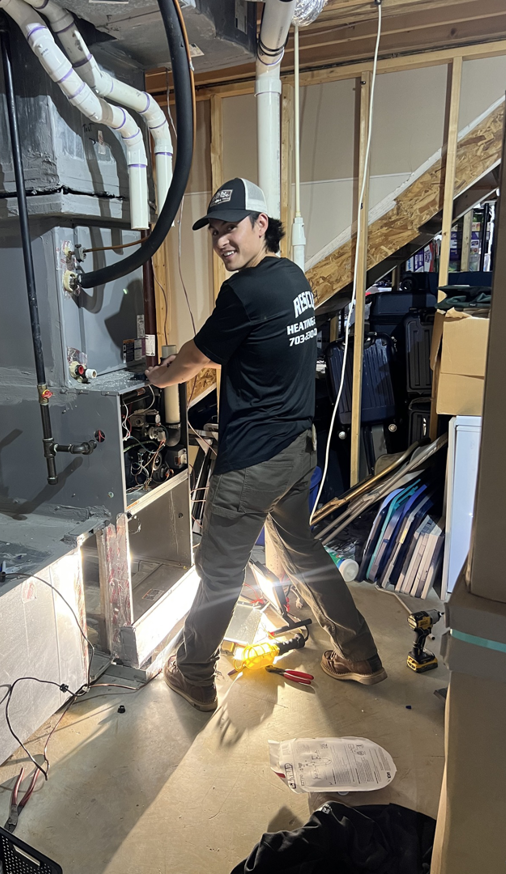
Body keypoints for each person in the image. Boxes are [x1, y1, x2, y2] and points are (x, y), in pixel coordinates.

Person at [146, 178, 386, 713]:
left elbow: (197, 355)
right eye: (214, 232)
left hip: (253, 458)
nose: (221, 241)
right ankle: (361, 655)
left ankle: (192, 674)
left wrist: (161, 377)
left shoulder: (243, 292)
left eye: (231, 229)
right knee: (305, 553)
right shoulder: (292, 277)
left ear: (261, 225)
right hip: (296, 449)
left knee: (220, 571)